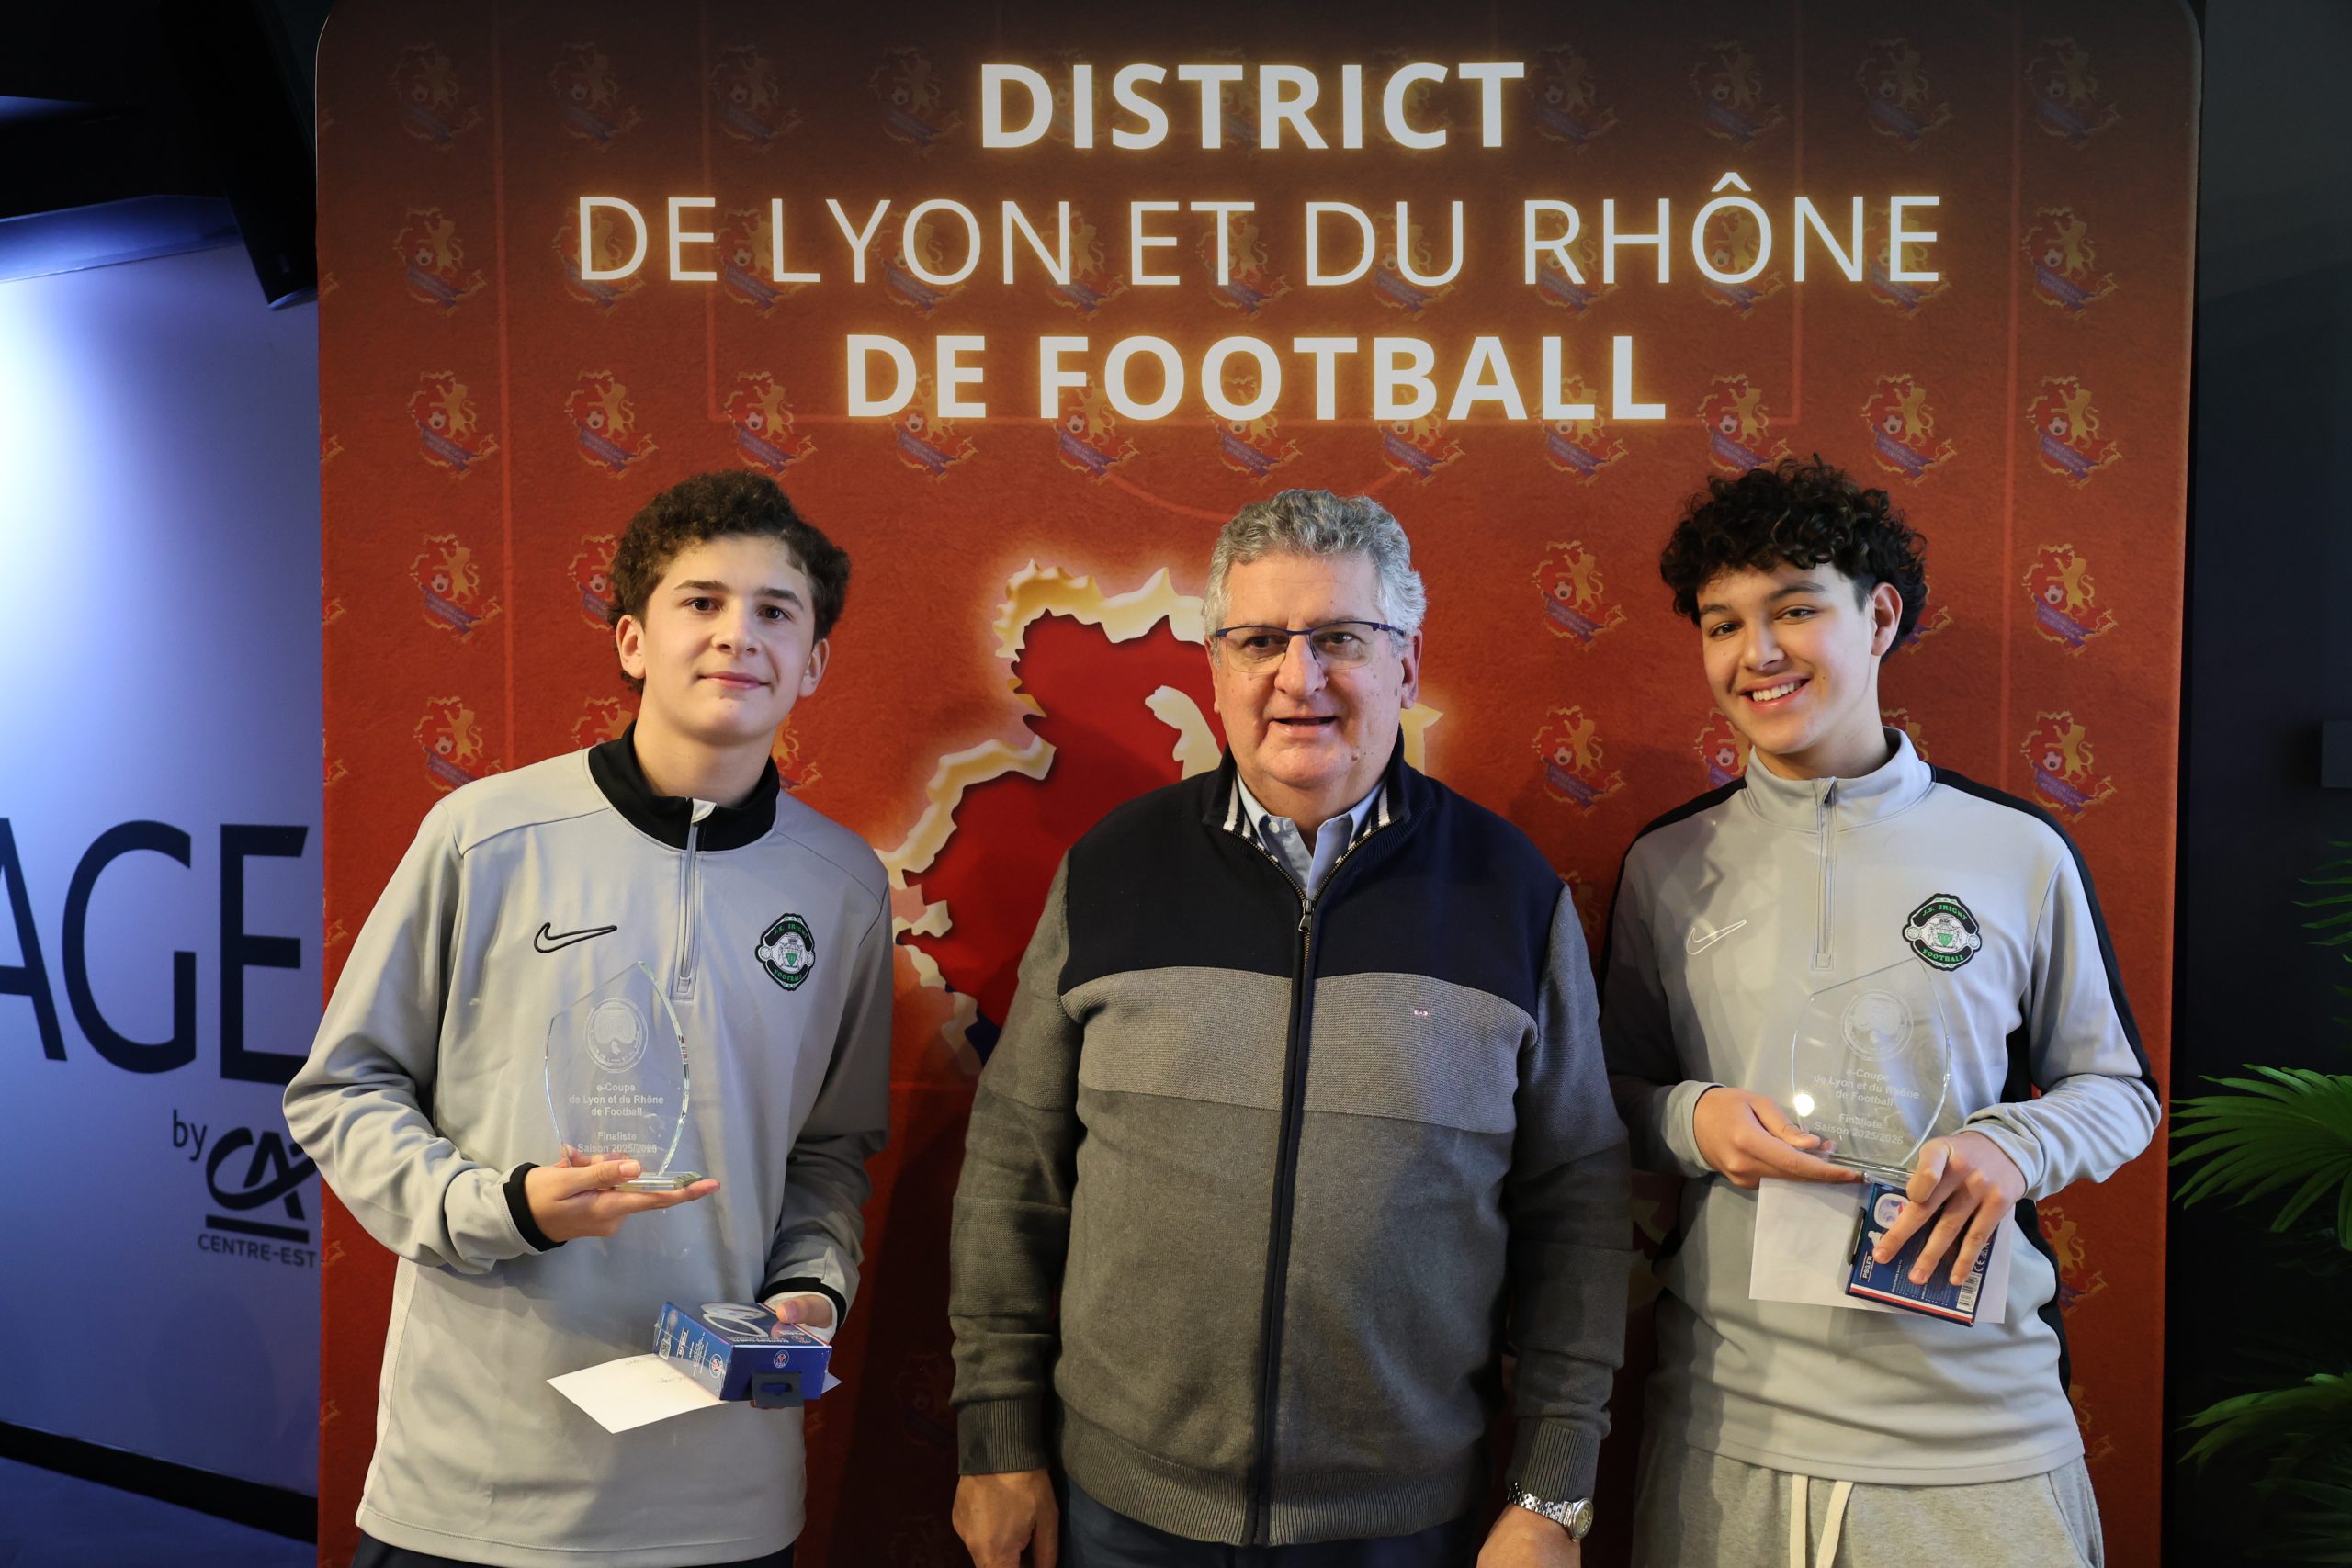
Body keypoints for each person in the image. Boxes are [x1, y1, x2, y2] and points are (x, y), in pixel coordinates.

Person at [947, 489, 1632, 1568]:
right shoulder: (1113, 870)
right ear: (1215, 670)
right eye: (1259, 640)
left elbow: (1577, 1206)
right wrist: (996, 1440)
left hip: (1405, 1526)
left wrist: (1553, 1492)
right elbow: (1012, 1171)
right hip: (1121, 1513)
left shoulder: (1511, 892)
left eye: (1340, 639)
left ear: (1406, 664)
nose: (1298, 678)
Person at [285, 471, 892, 1568]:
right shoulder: (484, 835)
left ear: (813, 662)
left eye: (775, 611)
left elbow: (829, 1148)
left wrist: (810, 1289)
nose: (738, 635)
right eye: (701, 602)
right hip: (478, 1487)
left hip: (726, 1494)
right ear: (632, 641)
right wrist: (503, 1208)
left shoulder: (844, 885)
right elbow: (342, 1090)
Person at [1601, 457, 2160, 1567]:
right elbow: (1604, 1094)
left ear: (1880, 617)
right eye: (1722, 624)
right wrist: (1690, 1120)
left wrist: (2012, 1146)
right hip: (1729, 1431)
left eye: (1794, 609)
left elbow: (2119, 1092)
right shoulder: (1667, 864)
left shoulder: (2015, 850)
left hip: (1976, 1434)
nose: (1756, 654)